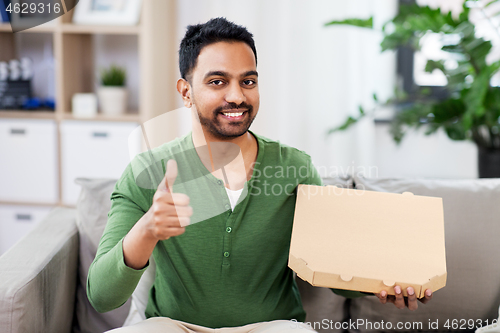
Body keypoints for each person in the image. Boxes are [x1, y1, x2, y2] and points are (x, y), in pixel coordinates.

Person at [87, 17, 433, 333]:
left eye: (248, 81)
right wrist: (146, 230)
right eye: (218, 81)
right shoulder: (147, 171)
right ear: (186, 92)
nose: (237, 96)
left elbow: (335, 266)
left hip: (272, 327)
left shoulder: (295, 167)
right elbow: (102, 296)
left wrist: (384, 282)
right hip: (174, 326)